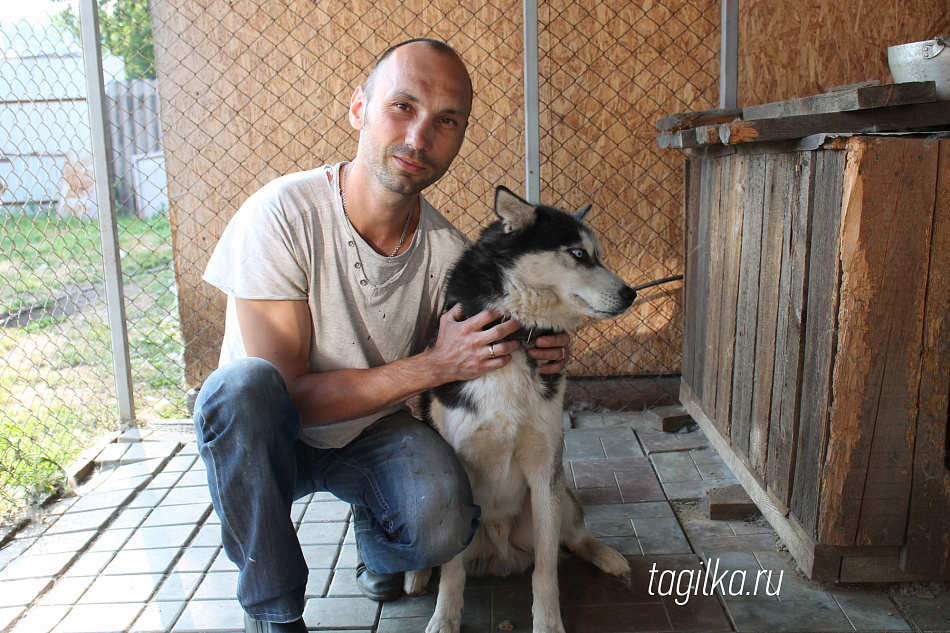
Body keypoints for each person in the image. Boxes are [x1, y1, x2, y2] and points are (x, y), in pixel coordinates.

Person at [193, 38, 571, 633]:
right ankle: (272, 615)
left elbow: (487, 340)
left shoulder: (450, 253)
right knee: (242, 388)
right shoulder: (281, 215)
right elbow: (287, 393)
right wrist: (432, 366)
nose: (420, 138)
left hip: (370, 432)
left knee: (446, 522)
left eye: (446, 121)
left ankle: (379, 537)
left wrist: (541, 343)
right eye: (403, 107)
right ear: (358, 109)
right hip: (269, 440)